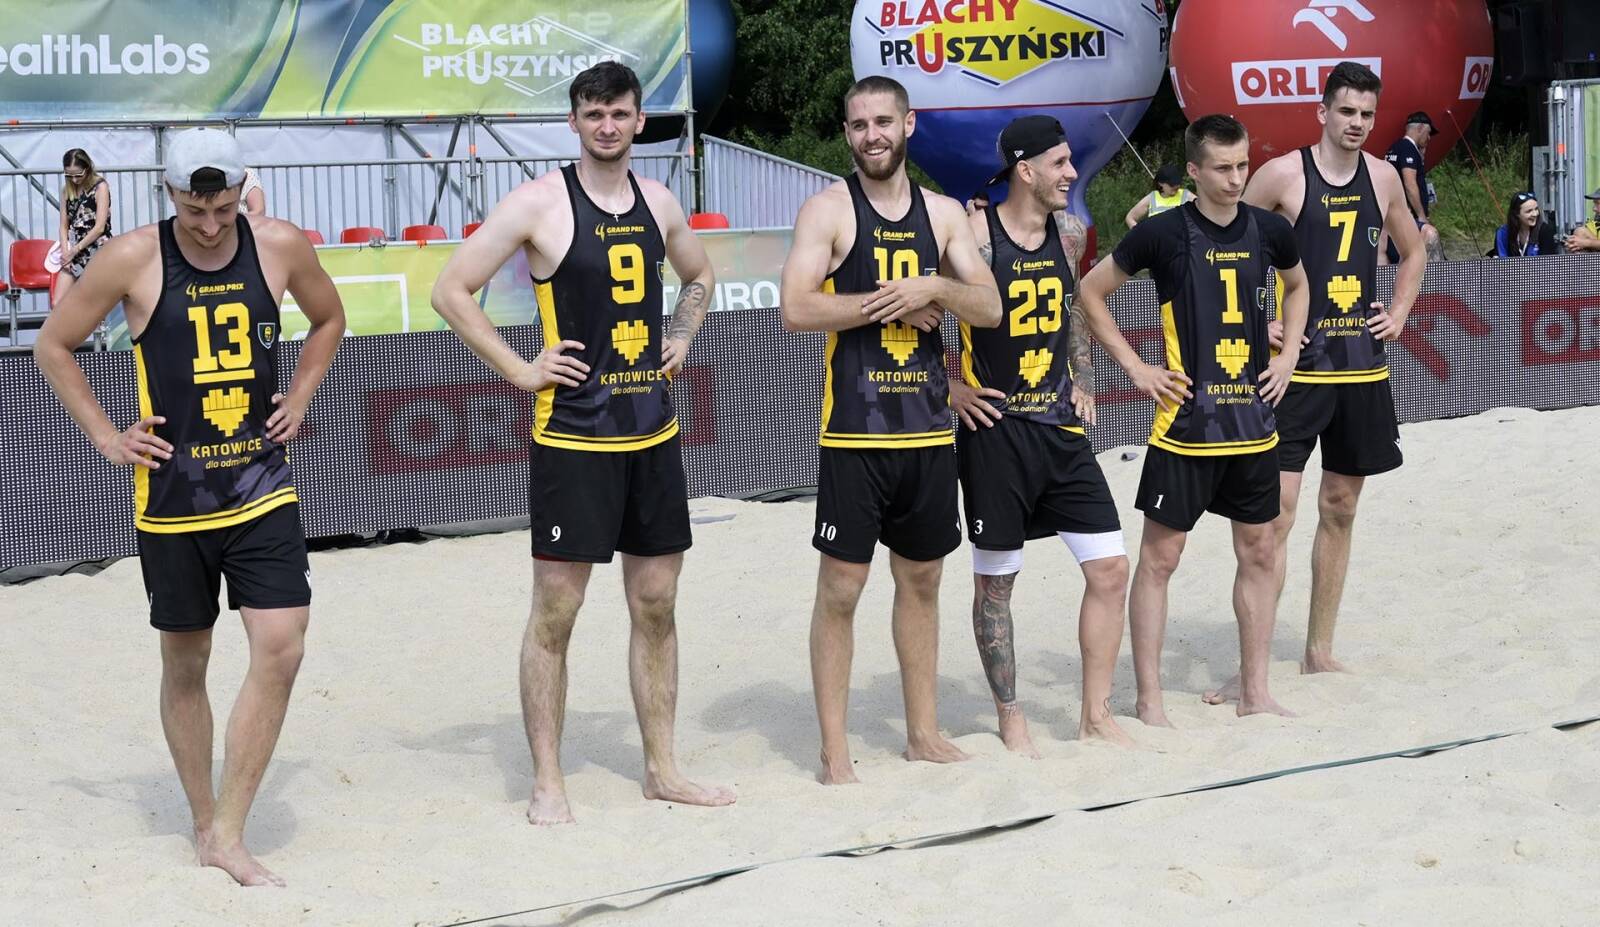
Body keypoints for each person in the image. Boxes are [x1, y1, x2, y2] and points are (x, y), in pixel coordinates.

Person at [33, 128, 345, 885]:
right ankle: (204, 821)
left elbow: (329, 319)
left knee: (283, 645)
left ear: (243, 191)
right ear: (169, 194)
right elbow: (53, 344)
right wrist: (106, 435)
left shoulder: (279, 244)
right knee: (186, 661)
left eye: (224, 208)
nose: (209, 225)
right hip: (173, 500)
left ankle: (229, 831)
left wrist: (302, 392)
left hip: (262, 484)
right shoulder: (133, 256)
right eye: (194, 209)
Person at [429, 62, 732, 824]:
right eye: (593, 113)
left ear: (639, 120)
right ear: (574, 121)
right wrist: (519, 369)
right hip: (574, 437)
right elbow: (449, 289)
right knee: (557, 611)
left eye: (619, 112)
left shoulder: (658, 200)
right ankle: (548, 780)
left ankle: (662, 767)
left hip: (653, 432)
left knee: (657, 601)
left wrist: (684, 332)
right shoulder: (539, 202)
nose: (607, 125)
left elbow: (699, 273)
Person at [780, 75, 1001, 784]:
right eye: (859, 124)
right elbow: (796, 308)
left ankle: (923, 733)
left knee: (924, 580)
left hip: (929, 433)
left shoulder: (943, 214)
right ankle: (834, 749)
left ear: (909, 124)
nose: (871, 135)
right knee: (842, 589)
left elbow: (990, 307)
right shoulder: (828, 210)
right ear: (847, 134)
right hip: (855, 434)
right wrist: (891, 304)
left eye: (883, 121)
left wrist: (932, 288)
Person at [1074, 114, 1310, 724]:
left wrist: (1288, 354)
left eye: (1243, 165)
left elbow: (1299, 286)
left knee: (1260, 551)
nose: (1236, 178)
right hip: (1185, 428)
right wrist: (1136, 368)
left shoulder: (1269, 229)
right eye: (1223, 168)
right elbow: (1090, 293)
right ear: (1194, 171)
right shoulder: (1162, 231)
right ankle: (1149, 698)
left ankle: (1255, 692)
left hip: (1253, 424)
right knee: (1160, 560)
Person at [1235, 61, 1424, 691]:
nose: (1357, 123)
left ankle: (1318, 650)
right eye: (1346, 111)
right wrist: (1259, 321)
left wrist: (1400, 309)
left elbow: (1414, 248)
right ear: (1322, 112)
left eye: (1367, 114)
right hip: (1296, 373)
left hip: (1361, 372)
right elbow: (1227, 246)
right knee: (1276, 518)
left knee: (1340, 507)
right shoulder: (1282, 175)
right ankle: (1251, 666)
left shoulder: (1384, 177)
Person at [948, 115, 1131, 754]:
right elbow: (920, 313)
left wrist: (1084, 376)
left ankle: (1095, 715)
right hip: (995, 432)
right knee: (996, 584)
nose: (1072, 174)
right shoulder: (974, 237)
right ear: (1025, 171)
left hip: (1060, 427)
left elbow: (1073, 309)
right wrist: (950, 387)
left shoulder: (1071, 232)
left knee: (1110, 568)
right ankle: (1010, 715)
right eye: (1060, 163)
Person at [1383, 112, 1445, 262]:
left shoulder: (1394, 148)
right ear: (1420, 128)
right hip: (1409, 216)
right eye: (1428, 133)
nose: (1429, 138)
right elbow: (1410, 183)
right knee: (1426, 245)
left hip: (1394, 216)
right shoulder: (1408, 148)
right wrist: (1422, 216)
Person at [55, 148, 113, 302]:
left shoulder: (100, 187)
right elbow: (63, 225)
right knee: (58, 302)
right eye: (69, 175)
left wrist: (74, 251)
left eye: (78, 175)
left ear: (87, 168)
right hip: (73, 252)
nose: (74, 179)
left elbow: (100, 227)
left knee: (94, 302)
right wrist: (65, 252)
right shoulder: (66, 191)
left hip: (97, 249)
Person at [1491, 191, 1560, 257]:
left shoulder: (1545, 231)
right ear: (1516, 214)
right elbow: (1500, 260)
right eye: (1529, 211)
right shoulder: (1503, 233)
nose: (1535, 214)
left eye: (1536, 209)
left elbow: (1547, 262)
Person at [1125, 163, 1194, 228]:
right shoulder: (1152, 198)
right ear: (1160, 183)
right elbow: (1130, 218)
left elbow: (1200, 210)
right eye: (1172, 184)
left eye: (1178, 183)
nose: (1176, 186)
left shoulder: (1186, 196)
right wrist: (1141, 234)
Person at [1567, 188, 1600, 252]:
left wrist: (1585, 243)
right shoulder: (1594, 223)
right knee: (1580, 232)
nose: (1594, 209)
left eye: (1597, 203)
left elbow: (1585, 242)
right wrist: (1572, 242)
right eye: (1594, 203)